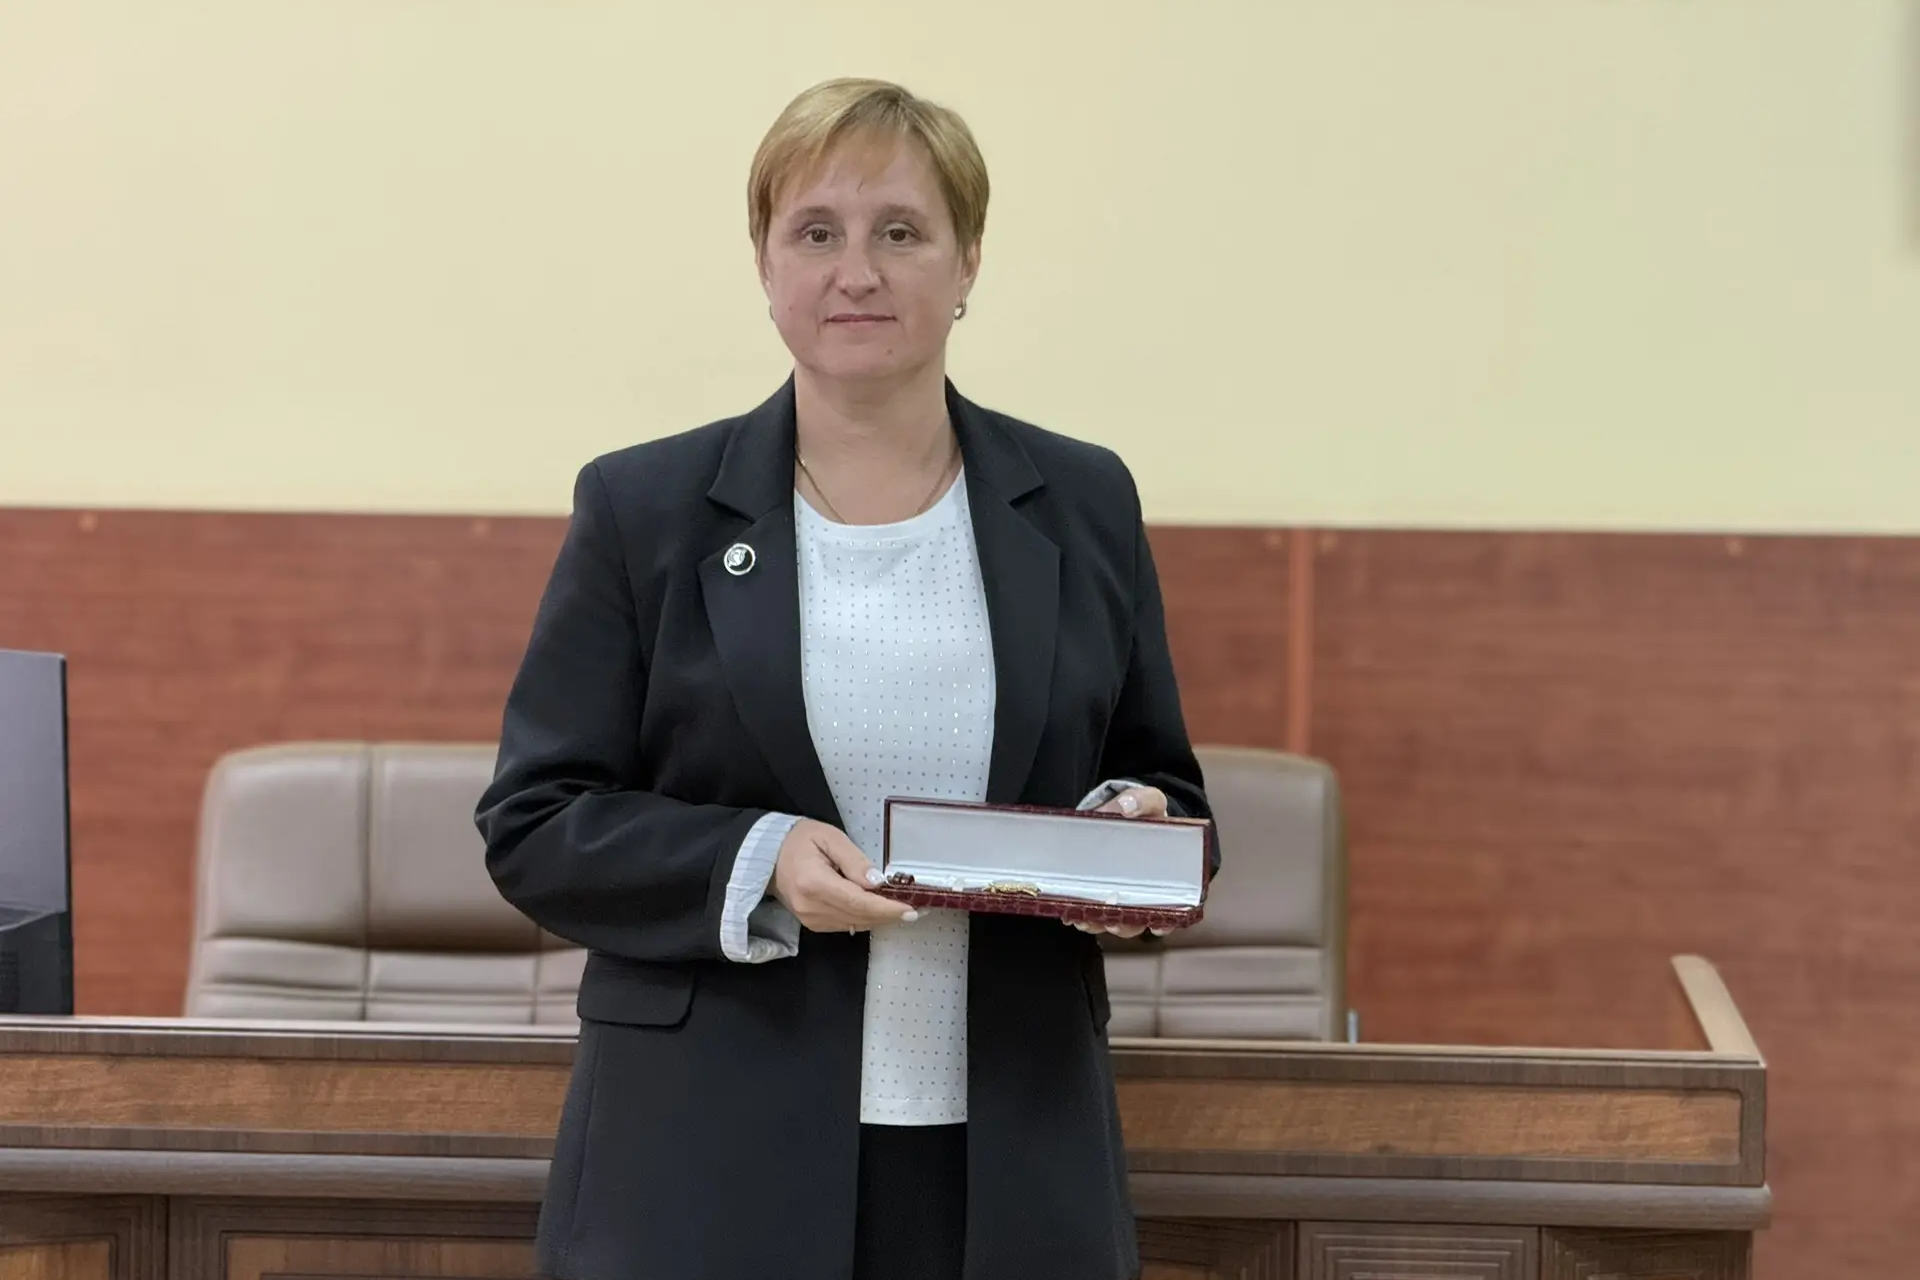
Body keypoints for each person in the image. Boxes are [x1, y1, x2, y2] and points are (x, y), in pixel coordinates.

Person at [476, 76, 1216, 1280]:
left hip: (1012, 1150)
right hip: (708, 1151)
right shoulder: (644, 507)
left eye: (901, 232)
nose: (856, 272)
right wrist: (754, 857)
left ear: (968, 262)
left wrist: (1130, 831)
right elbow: (535, 821)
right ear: (765, 264)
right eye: (816, 232)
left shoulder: (1083, 501)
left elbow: (1165, 783)